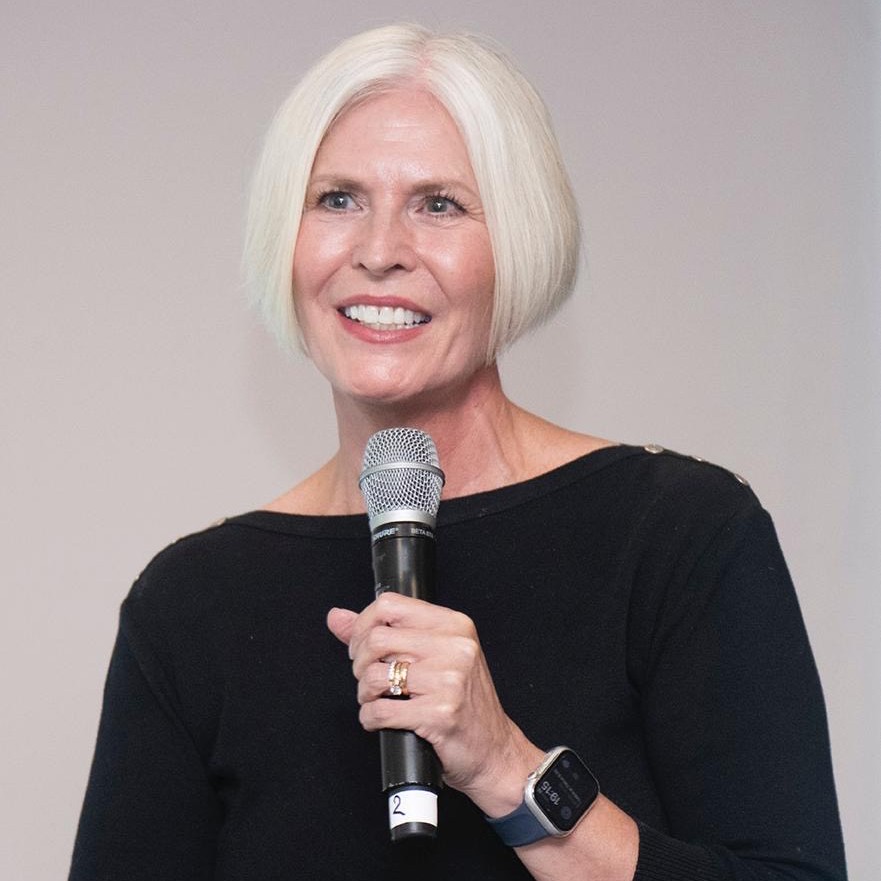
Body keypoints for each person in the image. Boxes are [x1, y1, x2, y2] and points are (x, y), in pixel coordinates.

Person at [69, 23, 847, 881]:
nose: (379, 252)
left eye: (437, 203)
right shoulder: (190, 602)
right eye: (337, 199)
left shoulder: (677, 533)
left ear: (517, 239)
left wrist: (504, 764)